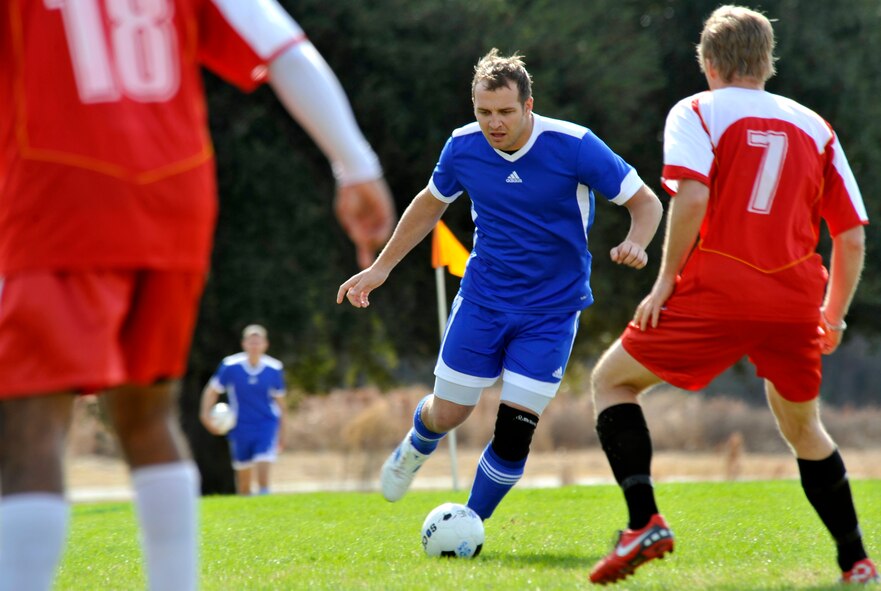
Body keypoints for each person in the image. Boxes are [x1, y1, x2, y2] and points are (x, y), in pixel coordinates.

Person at [0, 1, 395, 590]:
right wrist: (354, 164)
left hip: (59, 196)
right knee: (149, 416)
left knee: (32, 426)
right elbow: (284, 48)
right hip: (173, 201)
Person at [587, 5, 877, 586]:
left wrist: (665, 280)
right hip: (796, 301)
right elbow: (848, 236)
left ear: (708, 61)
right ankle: (857, 562)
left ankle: (643, 521)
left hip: (717, 290)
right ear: (769, 62)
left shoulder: (695, 109)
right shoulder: (817, 126)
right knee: (804, 430)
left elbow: (690, 199)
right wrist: (834, 315)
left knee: (611, 382)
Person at [338, 49, 662, 521]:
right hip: (483, 300)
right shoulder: (462, 147)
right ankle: (417, 443)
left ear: (529, 105)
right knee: (448, 414)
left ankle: (467, 521)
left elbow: (646, 202)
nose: (494, 123)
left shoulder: (574, 145)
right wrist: (381, 268)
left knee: (515, 429)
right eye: (484, 112)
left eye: (506, 112)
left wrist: (637, 241)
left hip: (552, 310)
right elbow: (429, 205)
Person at [200, 325, 286, 496]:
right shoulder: (230, 366)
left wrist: (282, 433)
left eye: (258, 342)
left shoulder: (274, 368)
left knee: (263, 465)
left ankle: (265, 503)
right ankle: (250, 514)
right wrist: (204, 415)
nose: (254, 346)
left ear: (265, 344)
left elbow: (281, 404)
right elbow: (211, 391)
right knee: (244, 485)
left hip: (266, 425)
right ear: (244, 344)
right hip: (240, 428)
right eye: (251, 342)